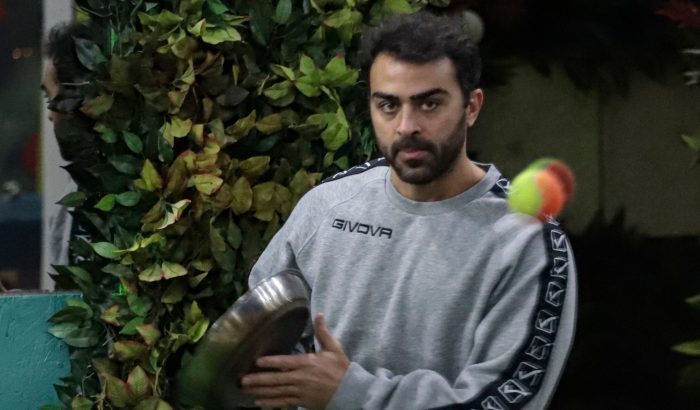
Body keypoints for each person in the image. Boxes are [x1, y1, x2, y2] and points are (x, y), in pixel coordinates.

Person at [242, 11, 577, 410]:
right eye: (388, 105)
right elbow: (261, 336)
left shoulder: (527, 242)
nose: (406, 126)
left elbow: (505, 401)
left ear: (471, 107)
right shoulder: (329, 205)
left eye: (429, 104)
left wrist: (351, 394)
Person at [42, 21, 95, 268]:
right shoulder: (73, 195)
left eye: (49, 96)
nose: (50, 115)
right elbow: (66, 289)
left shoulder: (146, 190)